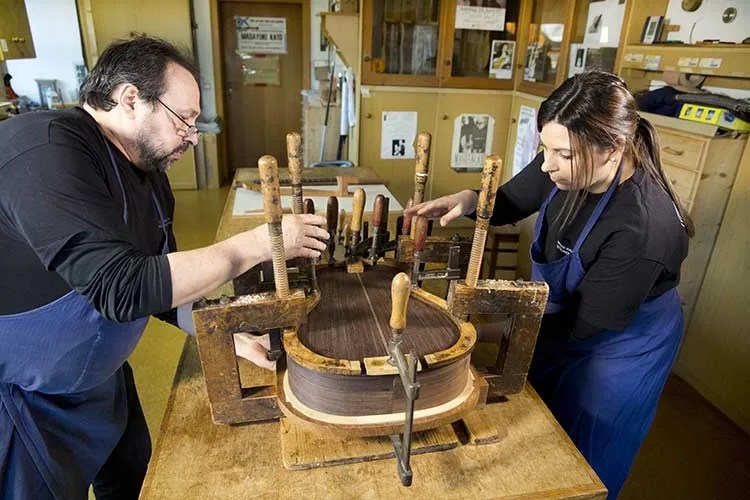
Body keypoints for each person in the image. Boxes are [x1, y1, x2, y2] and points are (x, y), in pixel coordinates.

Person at [0, 36, 328, 499]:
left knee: (133, 482)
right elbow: (123, 288)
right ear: (130, 99)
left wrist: (224, 334)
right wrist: (257, 244)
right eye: (184, 120)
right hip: (24, 401)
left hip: (101, 377)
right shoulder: (43, 151)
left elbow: (162, 281)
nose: (192, 137)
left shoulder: (147, 176)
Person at [405, 71, 691, 498]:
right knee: (533, 422)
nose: (546, 164)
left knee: (582, 456)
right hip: (560, 319)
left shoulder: (643, 228)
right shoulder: (567, 160)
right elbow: (512, 200)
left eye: (561, 154)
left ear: (613, 148)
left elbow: (587, 325)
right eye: (544, 148)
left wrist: (468, 333)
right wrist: (469, 201)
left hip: (619, 344)